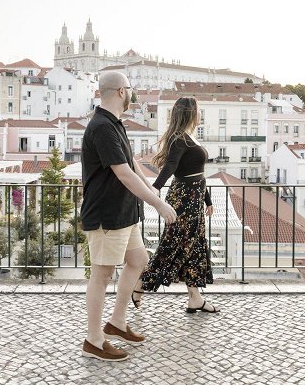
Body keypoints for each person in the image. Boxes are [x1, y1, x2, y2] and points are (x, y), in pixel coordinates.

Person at [80, 71, 177, 361]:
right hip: (106, 214)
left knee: (138, 260)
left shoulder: (114, 123)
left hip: (124, 212)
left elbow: (132, 163)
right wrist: (157, 205)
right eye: (131, 89)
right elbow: (122, 173)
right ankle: (94, 340)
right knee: (102, 274)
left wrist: (152, 191)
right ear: (122, 91)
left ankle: (117, 323)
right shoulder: (102, 127)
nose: (133, 93)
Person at [134, 96, 219, 313]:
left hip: (194, 199)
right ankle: (141, 283)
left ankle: (195, 298)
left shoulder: (188, 137)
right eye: (198, 110)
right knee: (174, 245)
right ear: (191, 113)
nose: (200, 114)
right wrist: (155, 189)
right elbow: (171, 166)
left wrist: (207, 199)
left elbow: (198, 173)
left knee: (194, 248)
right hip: (184, 200)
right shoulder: (178, 139)